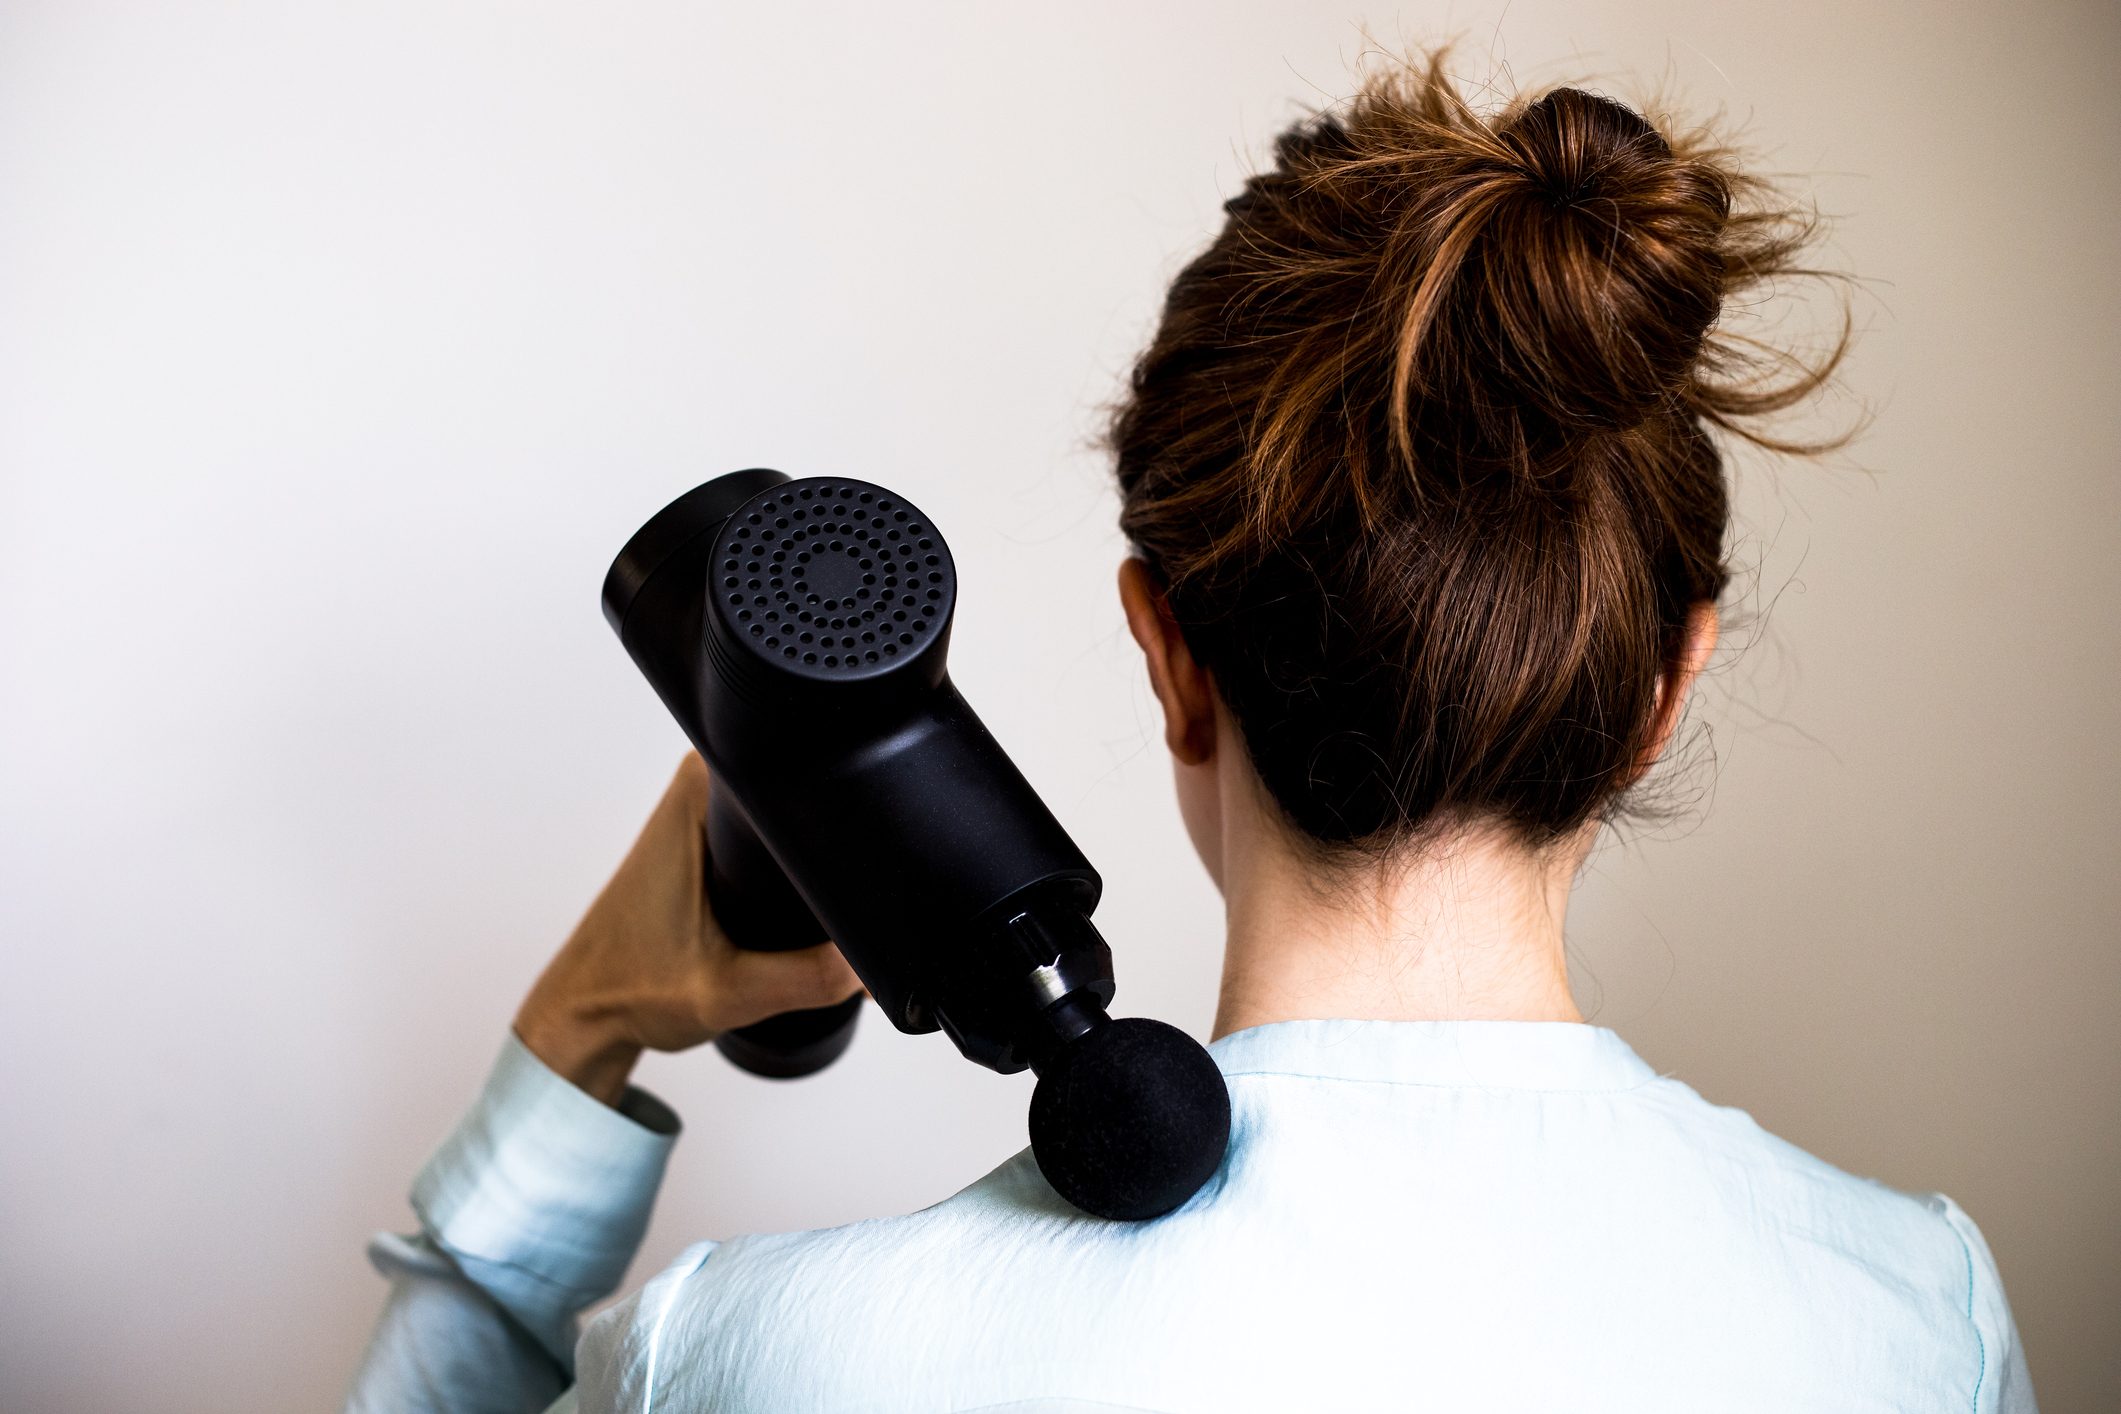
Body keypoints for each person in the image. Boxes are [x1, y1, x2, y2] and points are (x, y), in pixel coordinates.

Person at [346, 46, 2035, 1414]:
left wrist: (584, 1024)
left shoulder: (760, 1356)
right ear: (1664, 688)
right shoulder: (1912, 1318)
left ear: (1168, 653)